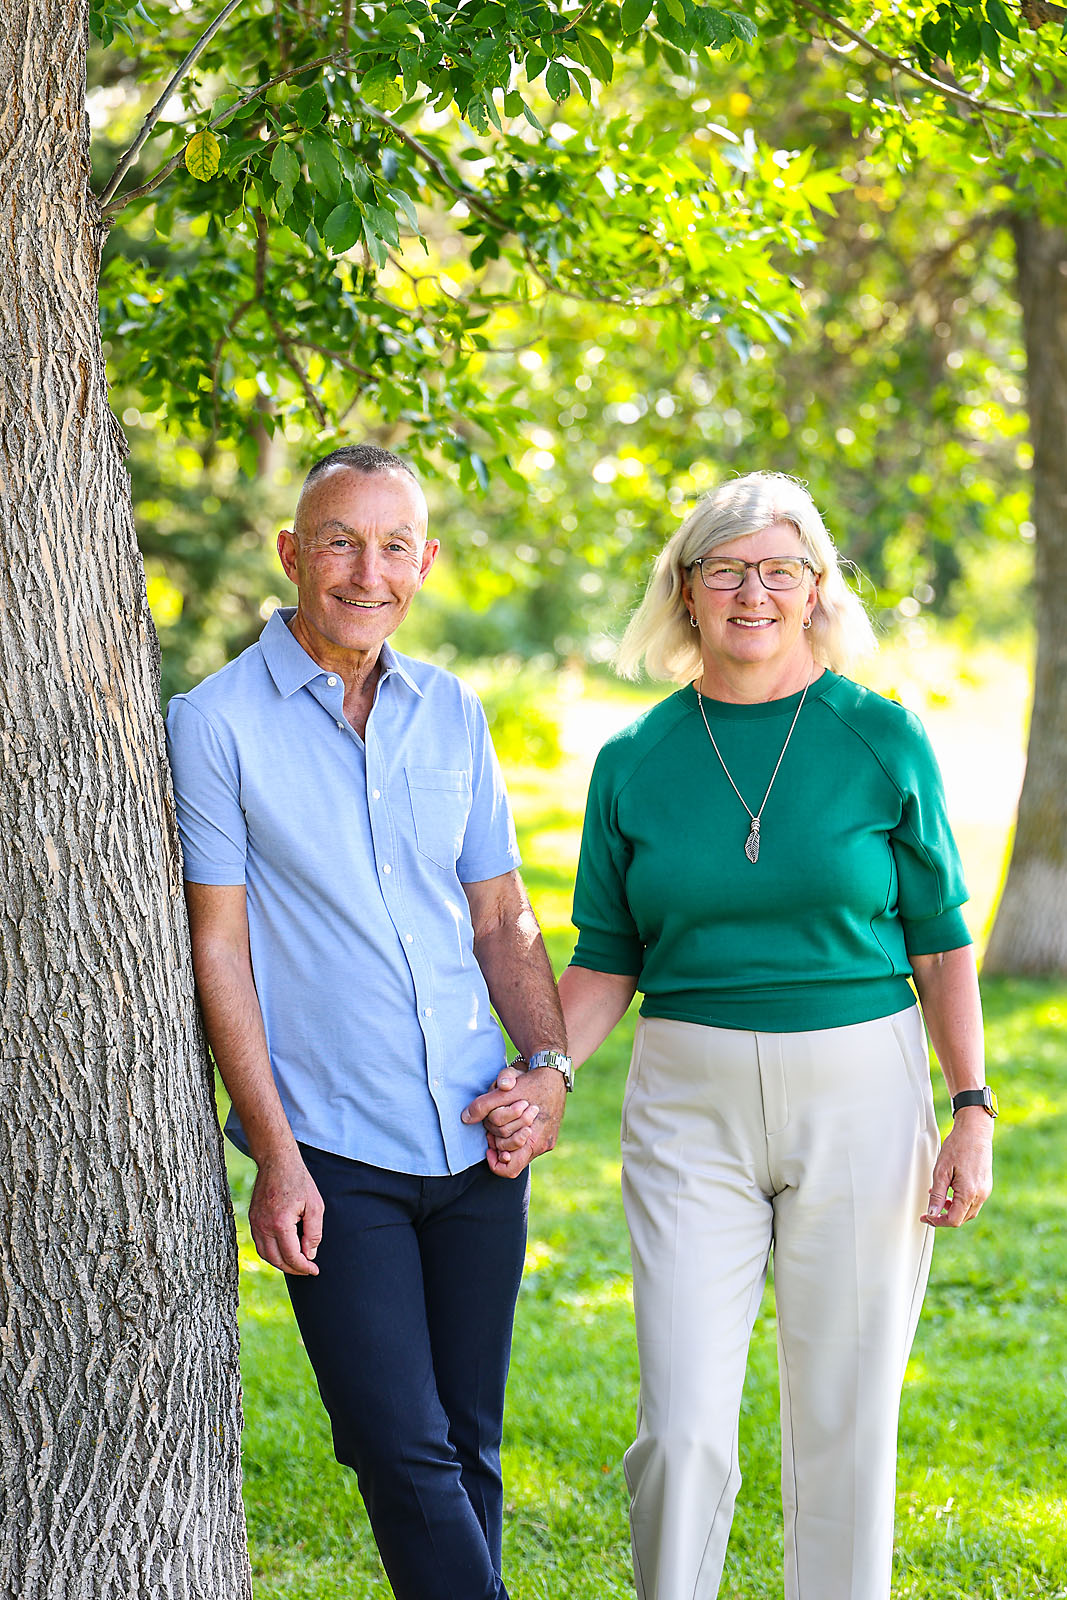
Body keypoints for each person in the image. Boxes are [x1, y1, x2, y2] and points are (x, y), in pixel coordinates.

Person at [467, 471, 994, 1600]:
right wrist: (548, 1070)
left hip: (861, 1088)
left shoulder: (880, 738)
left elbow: (940, 942)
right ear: (686, 592)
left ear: (813, 589)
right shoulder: (635, 760)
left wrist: (970, 1109)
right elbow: (607, 953)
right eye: (725, 571)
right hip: (686, 1100)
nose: (752, 592)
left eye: (777, 570)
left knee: (845, 1421)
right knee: (683, 1427)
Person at [164, 443, 571, 1600]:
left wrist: (544, 1069)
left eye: (393, 544)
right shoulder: (216, 723)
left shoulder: (451, 711)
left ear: (425, 562)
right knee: (400, 1448)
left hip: (475, 1138)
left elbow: (502, 916)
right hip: (337, 1153)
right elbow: (218, 945)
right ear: (293, 553)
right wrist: (277, 1156)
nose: (366, 570)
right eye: (339, 540)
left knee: (466, 1446)